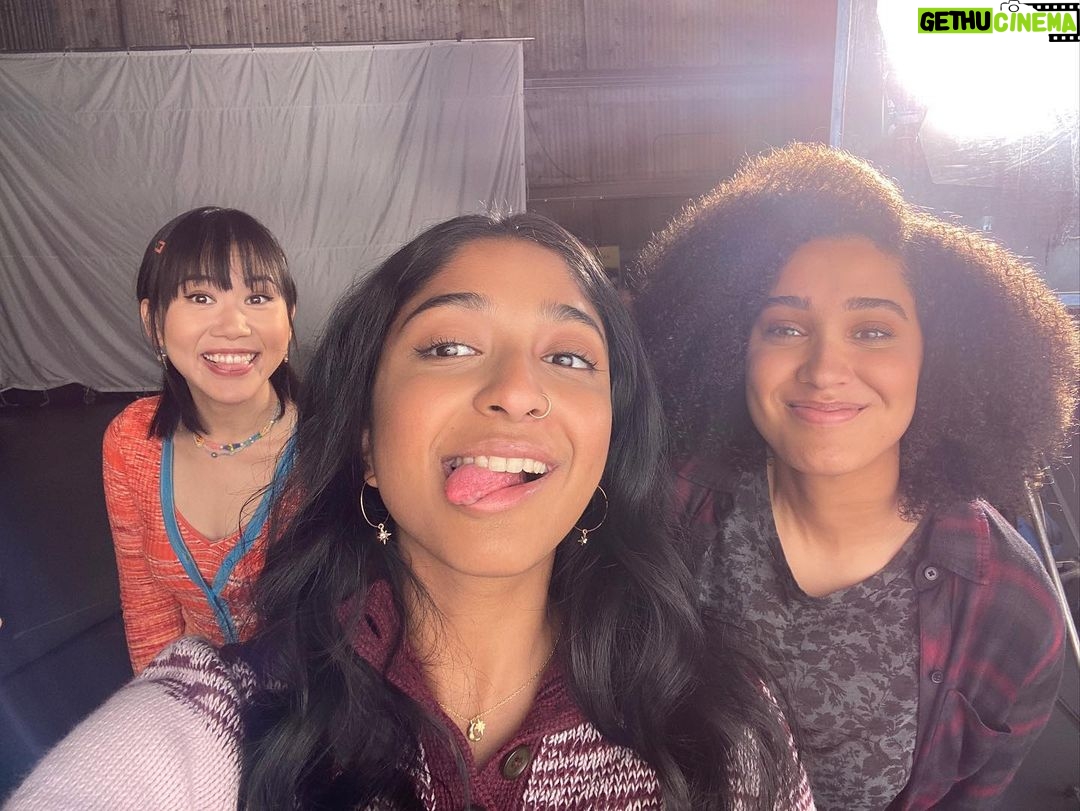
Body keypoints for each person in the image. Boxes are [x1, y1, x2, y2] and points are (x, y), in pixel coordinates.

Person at [6, 213, 813, 810]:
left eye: (569, 356)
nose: (517, 390)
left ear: (610, 441)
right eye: (449, 346)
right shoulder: (225, 719)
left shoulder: (726, 730)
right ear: (363, 436)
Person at [633, 143, 1079, 810]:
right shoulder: (662, 505)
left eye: (871, 331)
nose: (823, 369)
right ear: (732, 348)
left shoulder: (1011, 610)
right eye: (784, 328)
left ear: (941, 357)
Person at [103, 206, 299, 673]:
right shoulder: (130, 441)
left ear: (289, 317)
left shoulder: (336, 440)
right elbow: (148, 607)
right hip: (198, 687)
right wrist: (169, 699)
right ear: (153, 321)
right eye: (200, 297)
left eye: (257, 297)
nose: (234, 326)